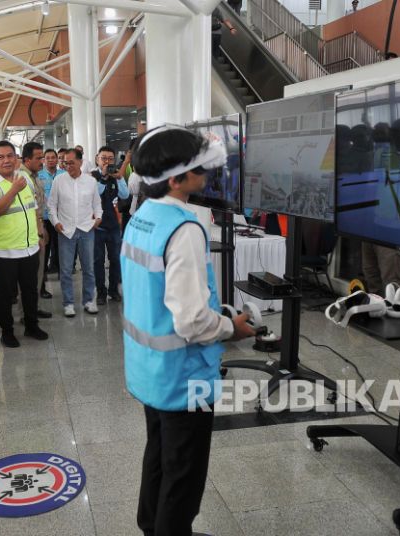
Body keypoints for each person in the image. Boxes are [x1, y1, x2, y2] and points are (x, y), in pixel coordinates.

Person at [121, 126, 254, 535]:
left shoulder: (142, 217)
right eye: (201, 169)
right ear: (177, 179)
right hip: (185, 377)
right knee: (185, 476)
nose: (208, 176)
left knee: (160, 455)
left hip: (149, 369)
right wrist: (233, 328)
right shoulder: (184, 228)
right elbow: (193, 321)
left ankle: (152, 526)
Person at [0, 141, 49, 348]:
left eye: (10, 156)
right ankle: (7, 332)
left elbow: (32, 207)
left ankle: (31, 325)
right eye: (1, 157)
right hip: (5, 251)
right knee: (5, 294)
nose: (7, 160)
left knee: (30, 290)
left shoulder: (24, 177)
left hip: (29, 247)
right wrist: (13, 190)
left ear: (16, 157)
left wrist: (39, 232)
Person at [47, 148, 102, 317]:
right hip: (66, 230)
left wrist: (98, 218)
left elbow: (97, 205)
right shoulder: (59, 180)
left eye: (71, 162)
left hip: (87, 229)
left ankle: (88, 301)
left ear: (80, 162)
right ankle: (68, 303)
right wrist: (55, 223)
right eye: (65, 162)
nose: (68, 166)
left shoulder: (90, 181)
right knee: (65, 270)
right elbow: (51, 205)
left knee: (89, 268)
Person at [16, 141, 55, 305]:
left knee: (37, 275)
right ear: (27, 160)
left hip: (38, 228)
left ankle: (33, 308)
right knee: (29, 277)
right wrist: (39, 232)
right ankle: (26, 314)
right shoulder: (23, 178)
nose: (43, 161)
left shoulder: (35, 176)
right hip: (30, 234)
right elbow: (30, 209)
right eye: (39, 158)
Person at [91, 146, 129, 304]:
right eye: (103, 158)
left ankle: (114, 290)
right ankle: (101, 292)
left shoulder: (116, 176)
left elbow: (125, 195)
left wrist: (119, 178)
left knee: (115, 259)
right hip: (97, 226)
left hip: (113, 226)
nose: (107, 161)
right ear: (97, 159)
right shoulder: (92, 176)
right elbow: (94, 193)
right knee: (98, 261)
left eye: (110, 159)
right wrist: (103, 177)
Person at [38, 148, 64, 277]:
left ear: (57, 159)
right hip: (45, 218)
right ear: (43, 160)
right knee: (45, 249)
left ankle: (61, 273)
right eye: (47, 158)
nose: (50, 160)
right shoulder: (38, 176)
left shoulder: (63, 174)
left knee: (61, 248)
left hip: (61, 219)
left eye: (53, 157)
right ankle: (42, 279)